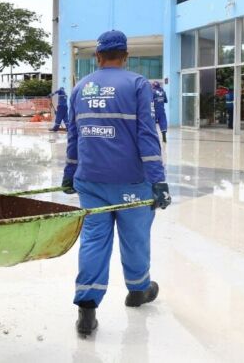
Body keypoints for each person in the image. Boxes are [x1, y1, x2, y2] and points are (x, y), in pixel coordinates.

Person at [61, 30, 171, 336]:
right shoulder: (137, 84)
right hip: (131, 182)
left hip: (91, 181)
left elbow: (74, 136)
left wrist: (70, 173)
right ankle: (138, 290)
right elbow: (147, 136)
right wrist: (158, 181)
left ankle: (87, 309)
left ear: (97, 56)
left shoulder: (80, 87)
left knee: (94, 239)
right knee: (134, 235)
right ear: (125, 56)